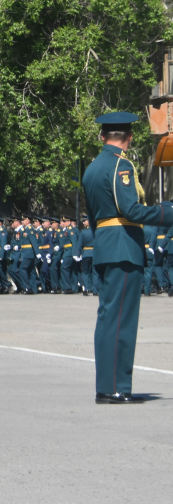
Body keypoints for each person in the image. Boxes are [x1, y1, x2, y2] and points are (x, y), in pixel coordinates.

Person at [81, 111, 173, 403]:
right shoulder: (121, 165)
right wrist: (167, 212)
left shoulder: (92, 168)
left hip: (107, 246)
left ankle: (106, 386)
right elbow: (130, 210)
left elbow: (95, 218)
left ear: (102, 136)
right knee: (121, 320)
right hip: (123, 248)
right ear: (129, 138)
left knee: (109, 318)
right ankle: (116, 387)